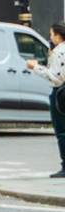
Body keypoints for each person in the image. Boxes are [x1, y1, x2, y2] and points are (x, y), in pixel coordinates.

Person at [42, 23, 65, 179]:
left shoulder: (58, 52)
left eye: (51, 34)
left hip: (60, 92)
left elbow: (56, 76)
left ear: (58, 35)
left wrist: (36, 67)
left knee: (61, 130)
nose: (50, 37)